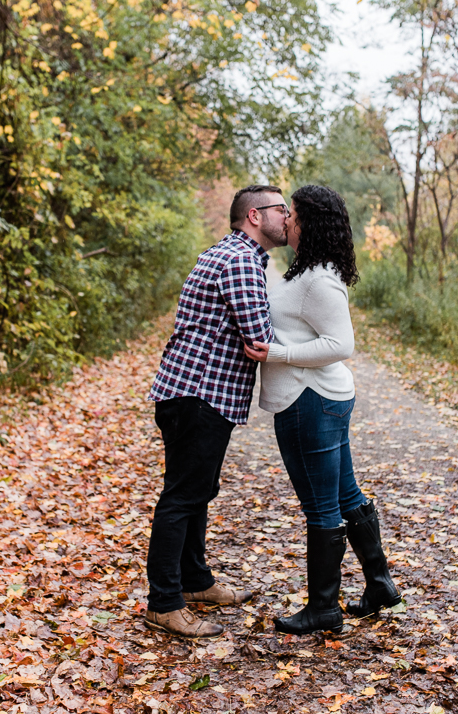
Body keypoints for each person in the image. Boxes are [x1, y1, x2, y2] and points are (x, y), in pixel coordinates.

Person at [244, 184, 402, 635]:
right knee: (345, 495)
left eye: (292, 213)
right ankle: (379, 586)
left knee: (320, 506)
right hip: (319, 399)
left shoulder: (319, 280)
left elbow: (341, 344)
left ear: (309, 222)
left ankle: (323, 608)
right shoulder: (305, 271)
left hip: (309, 401)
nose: (287, 220)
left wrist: (275, 354)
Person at [144, 184, 290, 638]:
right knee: (182, 496)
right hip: (200, 395)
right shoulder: (241, 261)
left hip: (190, 392)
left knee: (197, 491)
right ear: (253, 215)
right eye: (280, 210)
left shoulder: (230, 254)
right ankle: (163, 602)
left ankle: (195, 582)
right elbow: (259, 338)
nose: (287, 217)